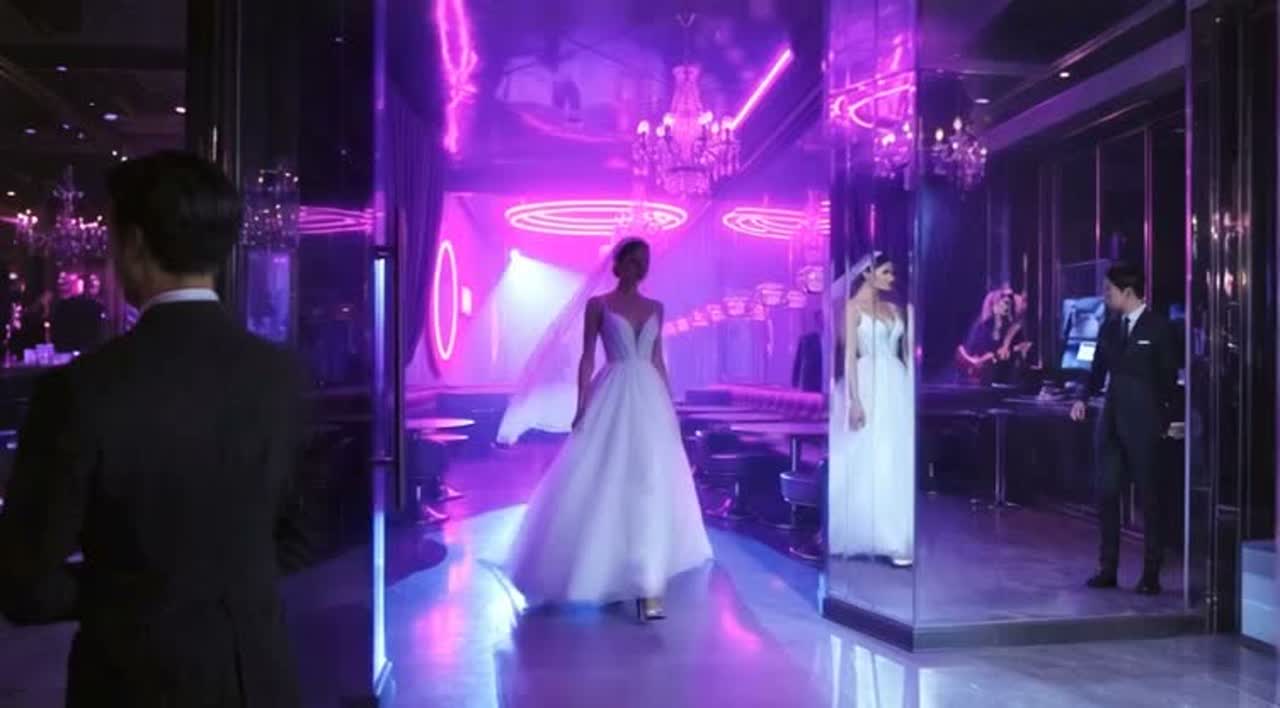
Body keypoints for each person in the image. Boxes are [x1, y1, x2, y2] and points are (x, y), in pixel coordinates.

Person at [0, 151, 308, 707]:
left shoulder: (78, 390)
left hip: (133, 681)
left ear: (134, 244)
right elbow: (303, 535)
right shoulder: (282, 377)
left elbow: (25, 583)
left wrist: (129, 591)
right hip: (258, 677)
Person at [504, 238, 712, 621]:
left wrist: (669, 404)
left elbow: (657, 359)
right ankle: (609, 572)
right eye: (633, 260)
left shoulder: (656, 307)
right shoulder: (598, 305)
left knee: (651, 483)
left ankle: (649, 586)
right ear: (618, 264)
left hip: (650, 399)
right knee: (609, 479)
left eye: (644, 262)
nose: (640, 267)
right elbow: (587, 357)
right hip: (612, 392)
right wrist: (581, 405)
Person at [1070, 263, 1178, 596]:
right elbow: (1095, 371)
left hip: (1145, 425)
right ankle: (1108, 568)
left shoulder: (1159, 328)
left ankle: (1151, 573)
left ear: (1127, 292)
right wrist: (1081, 397)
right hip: (1111, 423)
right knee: (1106, 493)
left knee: (1150, 498)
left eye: (1109, 290)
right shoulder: (1109, 328)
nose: (1105, 296)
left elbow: (1169, 379)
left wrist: (1166, 420)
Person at [828, 252, 914, 566]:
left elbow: (907, 354)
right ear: (867, 273)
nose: (892, 278)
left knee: (897, 456)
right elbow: (849, 356)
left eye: (892, 273)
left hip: (897, 384)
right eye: (886, 272)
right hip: (868, 383)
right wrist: (854, 400)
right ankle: (876, 534)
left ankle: (899, 535)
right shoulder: (852, 308)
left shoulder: (897, 309)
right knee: (870, 454)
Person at [956, 289, 1030, 384]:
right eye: (1004, 303)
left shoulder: (1014, 329)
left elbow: (1022, 347)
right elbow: (973, 350)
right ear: (994, 305)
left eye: (1009, 304)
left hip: (1004, 374)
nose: (1006, 307)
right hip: (983, 376)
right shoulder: (983, 326)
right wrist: (980, 360)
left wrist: (1012, 350)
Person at [791, 309, 823, 393]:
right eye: (820, 319)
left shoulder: (834, 340)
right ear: (817, 321)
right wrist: (795, 383)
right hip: (810, 383)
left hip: (828, 383)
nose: (823, 322)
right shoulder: (806, 340)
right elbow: (798, 362)